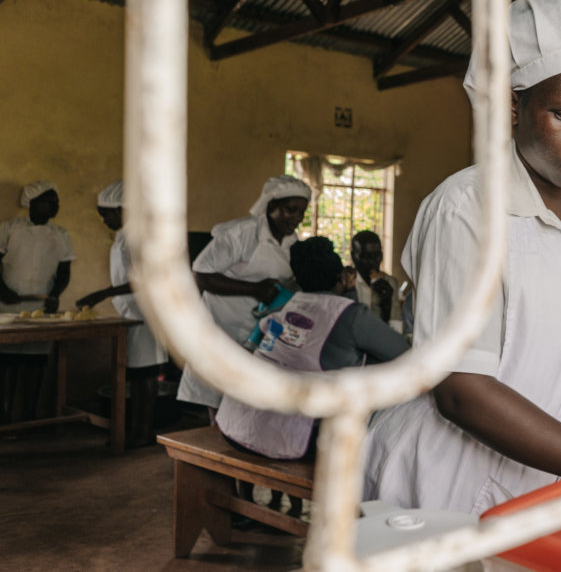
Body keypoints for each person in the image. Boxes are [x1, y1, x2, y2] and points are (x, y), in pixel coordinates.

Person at [363, 0, 561, 514]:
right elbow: (461, 390)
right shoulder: (467, 205)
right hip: (445, 475)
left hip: (554, 466)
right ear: (514, 104)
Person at [216, 236, 409, 460]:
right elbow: (403, 354)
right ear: (341, 277)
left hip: (236, 424)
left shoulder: (286, 305)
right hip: (291, 437)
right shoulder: (352, 315)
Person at [176, 175, 311, 414]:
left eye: (302, 211)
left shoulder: (292, 241)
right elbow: (200, 275)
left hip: (258, 335)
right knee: (219, 404)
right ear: (271, 206)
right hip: (222, 331)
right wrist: (254, 289)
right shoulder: (240, 234)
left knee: (245, 407)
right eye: (291, 210)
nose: (297, 218)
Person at [77, 181, 169, 447]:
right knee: (138, 375)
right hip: (131, 313)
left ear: (123, 210)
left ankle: (144, 431)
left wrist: (102, 294)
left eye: (106, 213)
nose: (103, 219)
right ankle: (137, 429)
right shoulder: (125, 235)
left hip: (146, 313)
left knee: (146, 374)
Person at [0, 181, 75, 423]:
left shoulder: (61, 235)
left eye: (57, 201)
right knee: (6, 362)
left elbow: (64, 271)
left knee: (35, 363)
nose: (55, 205)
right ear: (31, 203)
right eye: (49, 201)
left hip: (40, 309)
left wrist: (55, 295)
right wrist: (2, 291)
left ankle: (29, 419)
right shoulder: (9, 229)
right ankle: (5, 417)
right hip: (8, 307)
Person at [350, 230, 400, 329]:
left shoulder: (390, 283)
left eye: (377, 255)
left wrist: (386, 304)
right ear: (353, 256)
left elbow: (396, 327)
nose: (373, 261)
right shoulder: (347, 282)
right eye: (366, 256)